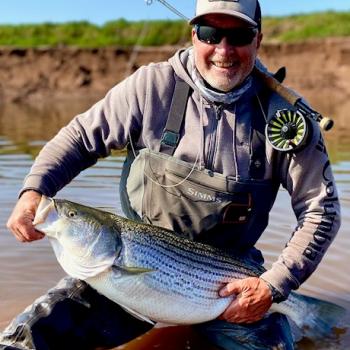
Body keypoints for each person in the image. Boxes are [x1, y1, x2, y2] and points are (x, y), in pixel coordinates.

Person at [1, 0, 340, 349]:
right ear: (193, 35)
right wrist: (33, 190)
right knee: (28, 337)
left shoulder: (286, 121)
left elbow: (321, 211)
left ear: (258, 40)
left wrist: (272, 286)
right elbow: (80, 139)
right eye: (211, 33)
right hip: (129, 263)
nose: (224, 49)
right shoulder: (152, 87)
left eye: (239, 35)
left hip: (229, 288)